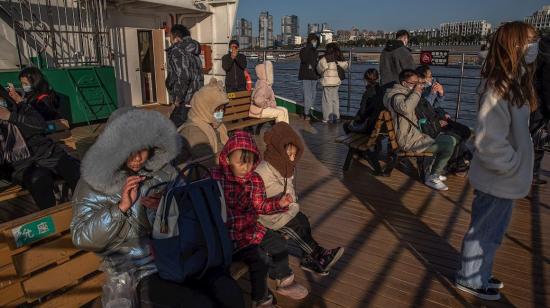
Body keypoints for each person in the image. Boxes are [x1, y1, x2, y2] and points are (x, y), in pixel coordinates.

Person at [71, 108, 244, 308]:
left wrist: (169, 207)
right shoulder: (94, 182)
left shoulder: (163, 172)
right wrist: (121, 209)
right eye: (129, 151)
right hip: (138, 270)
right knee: (200, 303)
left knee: (227, 290)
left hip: (179, 255)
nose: (137, 158)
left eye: (143, 149)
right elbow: (81, 236)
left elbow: (189, 215)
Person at [455, 22, 538, 301]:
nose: (535, 45)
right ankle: (470, 277)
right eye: (530, 40)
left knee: (492, 229)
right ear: (515, 45)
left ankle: (478, 272)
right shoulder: (499, 86)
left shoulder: (512, 80)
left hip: (501, 176)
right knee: (485, 230)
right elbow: (489, 140)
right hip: (498, 176)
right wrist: (512, 166)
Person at [211, 131, 308, 307]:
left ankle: (284, 280)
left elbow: (260, 205)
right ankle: (261, 299)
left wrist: (278, 203)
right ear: (227, 159)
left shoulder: (254, 180)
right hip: (229, 235)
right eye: (241, 162)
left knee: (278, 243)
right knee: (260, 260)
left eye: (250, 162)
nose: (246, 167)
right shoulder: (216, 177)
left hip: (251, 228)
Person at [256, 122, 345, 276]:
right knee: (295, 227)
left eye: (294, 155)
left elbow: (289, 188)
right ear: (278, 151)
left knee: (302, 220)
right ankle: (319, 255)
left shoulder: (287, 168)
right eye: (288, 154)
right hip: (266, 215)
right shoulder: (263, 171)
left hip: (282, 209)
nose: (291, 158)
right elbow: (255, 199)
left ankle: (308, 259)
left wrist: (291, 206)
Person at [0, 84, 79, 209]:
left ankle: (83, 209)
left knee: (76, 169)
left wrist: (14, 111)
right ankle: (53, 218)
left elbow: (40, 125)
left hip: (49, 154)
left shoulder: (18, 108)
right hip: (21, 165)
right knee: (39, 179)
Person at [383, 69, 457, 191]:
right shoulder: (396, 96)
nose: (418, 85)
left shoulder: (406, 93)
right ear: (404, 83)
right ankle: (432, 177)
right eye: (414, 83)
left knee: (452, 139)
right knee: (448, 143)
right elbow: (405, 108)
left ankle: (433, 172)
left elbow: (425, 108)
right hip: (409, 140)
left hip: (416, 135)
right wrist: (417, 92)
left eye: (418, 83)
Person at [178, 78, 229, 168]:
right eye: (217, 109)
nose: (221, 113)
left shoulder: (216, 126)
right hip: (193, 177)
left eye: (223, 109)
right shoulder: (193, 131)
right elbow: (206, 162)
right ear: (204, 107)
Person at [166, 24, 204, 128]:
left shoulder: (177, 51)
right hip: (196, 99)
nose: (169, 39)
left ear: (176, 38)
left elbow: (184, 77)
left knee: (170, 131)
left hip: (184, 101)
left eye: (170, 36)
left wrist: (178, 99)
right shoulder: (194, 51)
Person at [531, 35, 550, 186]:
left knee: (535, 138)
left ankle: (532, 173)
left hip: (535, 100)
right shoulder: (546, 52)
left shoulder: (539, 48)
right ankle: (531, 173)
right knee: (537, 138)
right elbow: (546, 82)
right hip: (540, 103)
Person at [344, 68, 385, 135]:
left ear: (366, 80)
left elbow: (363, 113)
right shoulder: (382, 90)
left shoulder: (367, 93)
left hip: (370, 126)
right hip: (379, 125)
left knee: (346, 125)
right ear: (377, 78)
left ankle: (354, 142)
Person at [317, 42, 348, 123]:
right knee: (335, 99)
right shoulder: (339, 57)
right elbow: (345, 65)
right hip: (336, 82)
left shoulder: (325, 58)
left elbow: (319, 69)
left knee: (327, 100)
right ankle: (336, 117)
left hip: (327, 82)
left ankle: (327, 118)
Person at [299, 33, 320, 120]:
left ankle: (307, 112)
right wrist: (309, 46)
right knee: (307, 95)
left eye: (316, 41)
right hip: (306, 75)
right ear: (310, 41)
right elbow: (303, 59)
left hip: (314, 75)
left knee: (313, 95)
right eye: (313, 41)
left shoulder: (316, 51)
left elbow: (316, 63)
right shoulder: (304, 50)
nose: (315, 43)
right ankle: (307, 113)